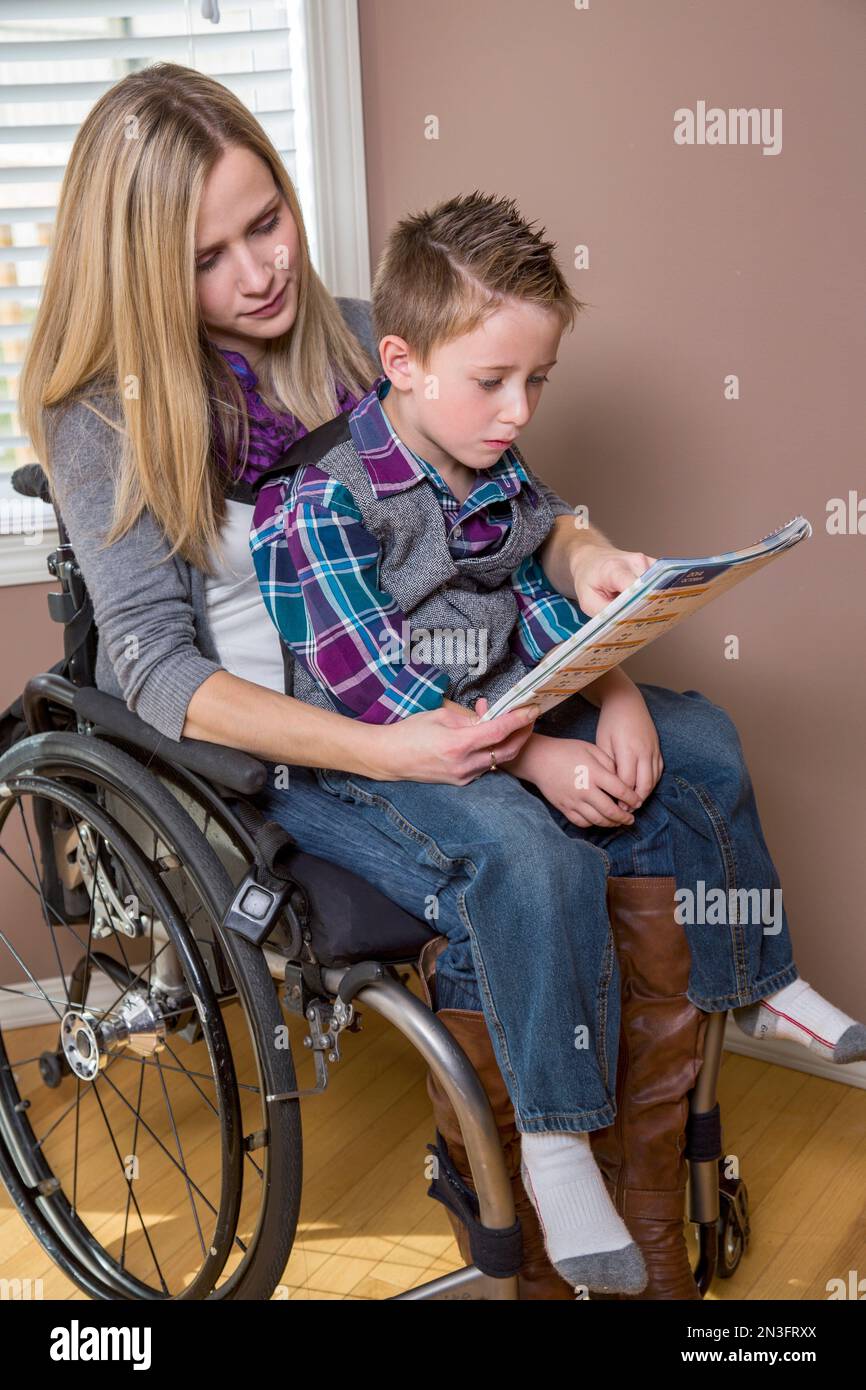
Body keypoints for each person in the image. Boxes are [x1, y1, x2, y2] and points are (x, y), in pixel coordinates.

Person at [19, 63, 651, 1300]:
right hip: (300, 741)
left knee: (680, 753)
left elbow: (518, 513)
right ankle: (522, 1185)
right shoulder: (99, 417)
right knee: (518, 843)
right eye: (209, 257)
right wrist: (398, 749)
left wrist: (594, 592)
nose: (259, 272)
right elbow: (152, 662)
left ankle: (625, 1187)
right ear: (144, 274)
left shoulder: (368, 333)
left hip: (465, 676)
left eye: (268, 221)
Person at [246, 189, 866, 1298]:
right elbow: (382, 690)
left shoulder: (494, 466)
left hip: (502, 706)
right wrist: (538, 756)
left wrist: (615, 688)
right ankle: (552, 1136)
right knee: (535, 855)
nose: (517, 409)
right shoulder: (318, 504)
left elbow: (531, 604)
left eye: (536, 381)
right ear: (399, 360)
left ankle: (758, 974)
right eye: (492, 381)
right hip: (366, 761)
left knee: (703, 737)